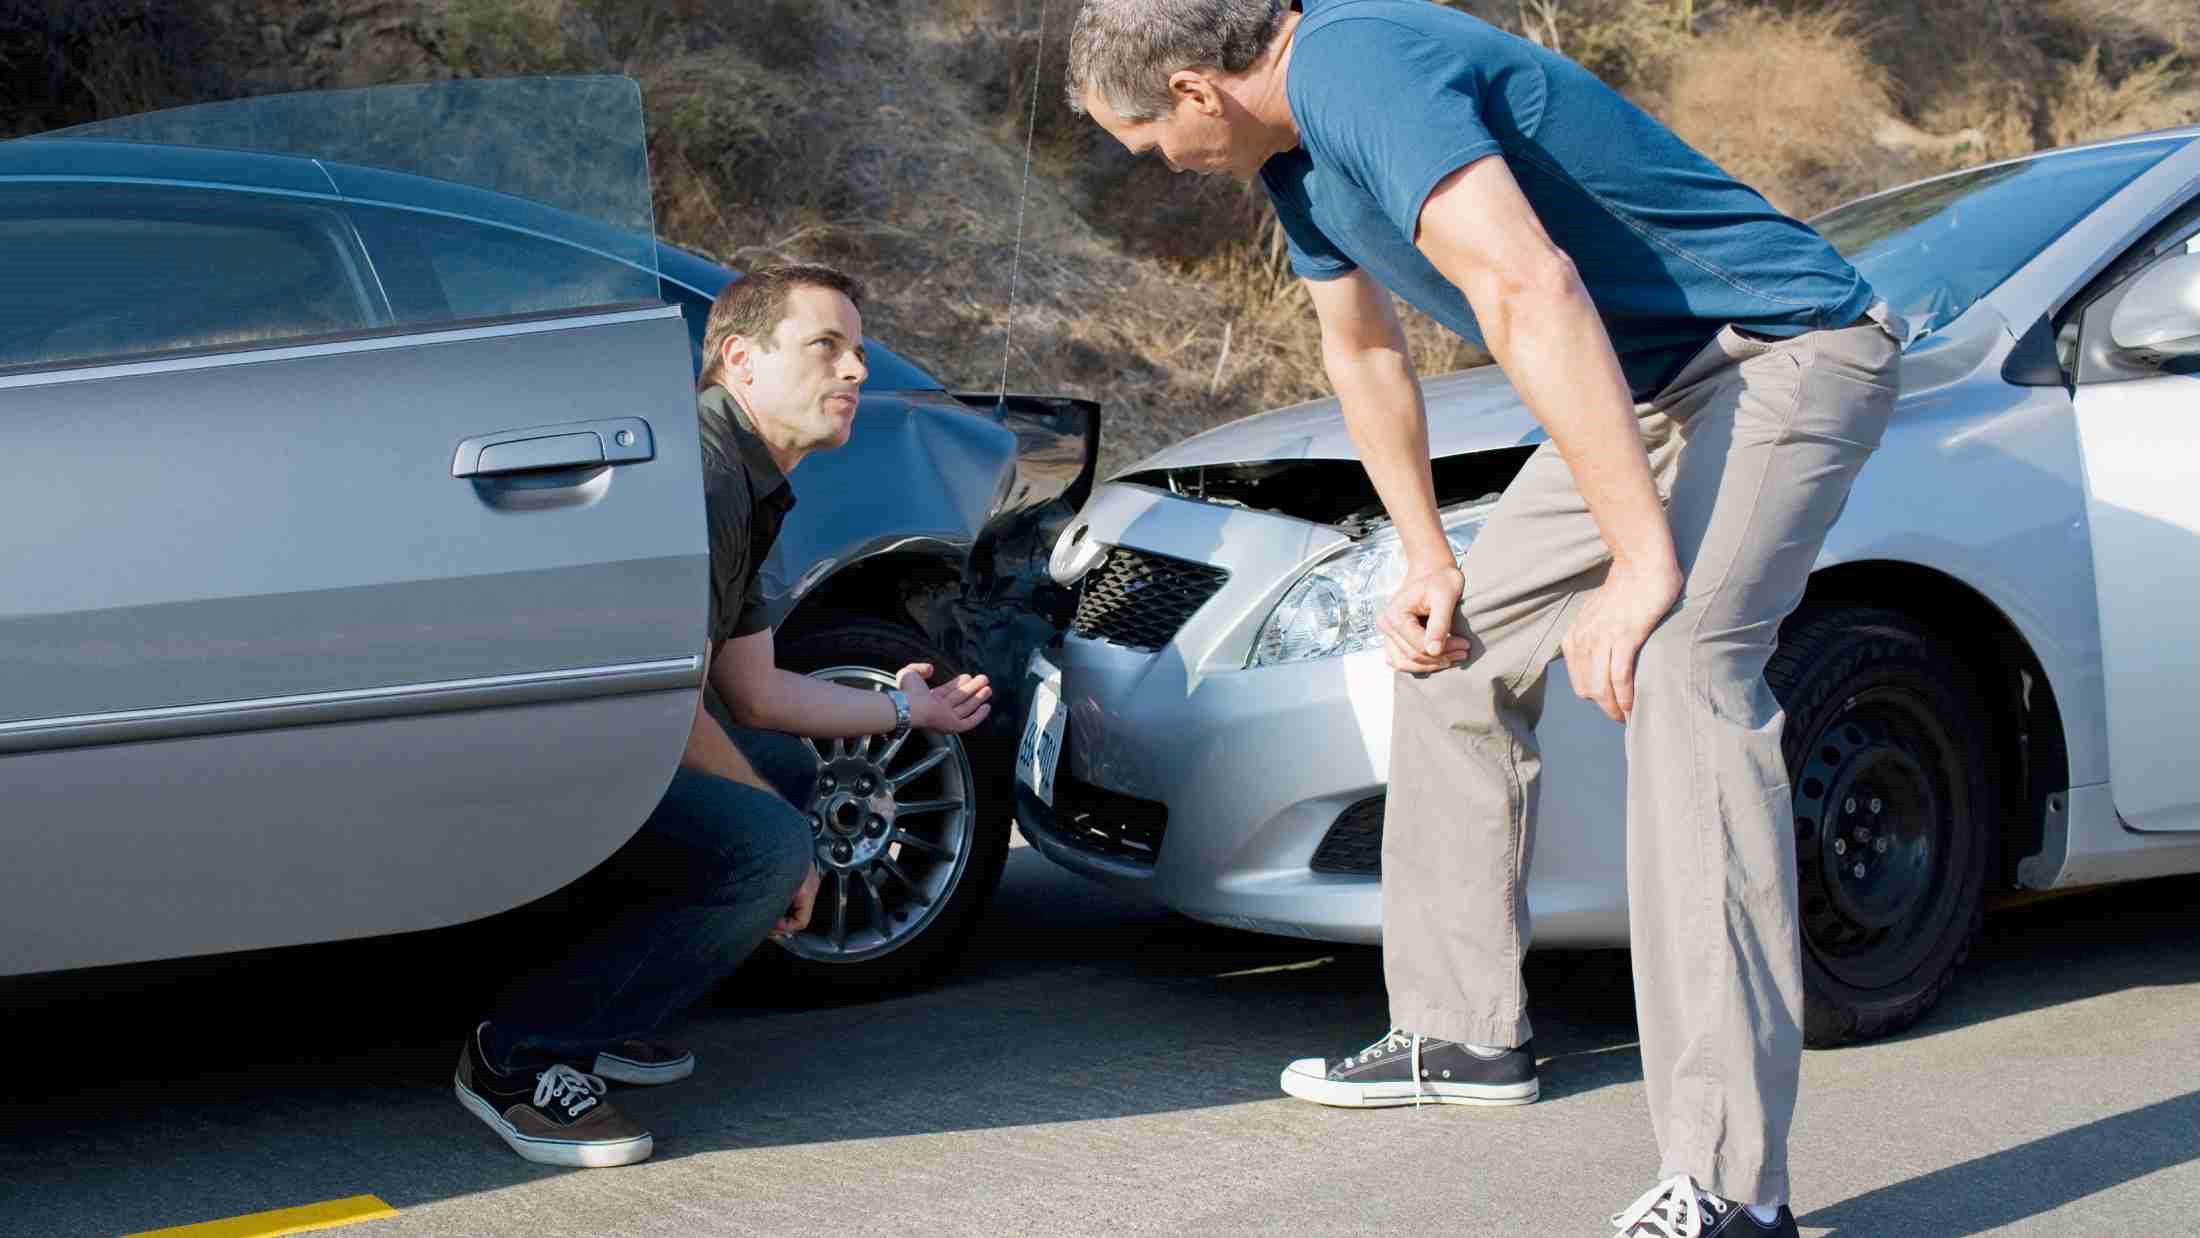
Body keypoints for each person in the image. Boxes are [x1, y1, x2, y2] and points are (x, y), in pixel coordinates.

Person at [1066, 2, 1905, 1233]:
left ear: (1196, 89)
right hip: (1651, 392)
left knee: (1683, 669)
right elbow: (1360, 353)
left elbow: (1527, 284)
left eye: (1137, 135)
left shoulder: (1354, 62)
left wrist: (1637, 563)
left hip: (1779, 354)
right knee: (1445, 654)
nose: (1147, 161)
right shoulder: (1292, 156)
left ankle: (1732, 1184)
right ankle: (1461, 1032)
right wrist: (1423, 554)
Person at [453, 264, 994, 1168]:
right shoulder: (703, 473)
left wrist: (904, 705)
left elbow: (752, 691)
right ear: (741, 360)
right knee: (767, 840)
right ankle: (521, 1056)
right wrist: (784, 835)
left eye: (858, 350)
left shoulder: (745, 476)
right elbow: (671, 704)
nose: (858, 370)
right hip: (531, 736)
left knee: (781, 775)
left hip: (595, 727)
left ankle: (612, 1005)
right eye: (828, 346)